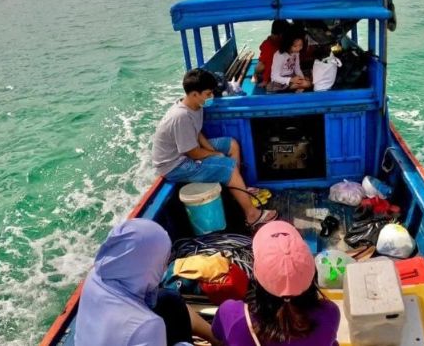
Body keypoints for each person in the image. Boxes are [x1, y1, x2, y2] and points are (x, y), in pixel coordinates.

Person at [152, 68, 277, 228]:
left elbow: (197, 133)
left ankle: (239, 189)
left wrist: (213, 151)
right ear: (195, 94)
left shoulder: (195, 105)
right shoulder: (180, 116)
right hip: (175, 165)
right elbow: (193, 153)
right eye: (208, 94)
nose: (211, 97)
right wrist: (216, 155)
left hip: (189, 151)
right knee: (228, 167)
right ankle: (252, 215)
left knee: (231, 145)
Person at [74, 219, 219, 346]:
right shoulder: (146, 326)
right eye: (163, 261)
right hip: (136, 333)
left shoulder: (96, 274)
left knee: (169, 300)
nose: (165, 267)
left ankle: (217, 339)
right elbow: (139, 327)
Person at [211, 221, 340, 346]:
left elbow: (218, 337)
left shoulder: (232, 315)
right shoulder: (329, 313)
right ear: (313, 272)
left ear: (256, 274)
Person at [266, 27, 312, 93]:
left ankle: (298, 88)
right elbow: (275, 77)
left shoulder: (296, 53)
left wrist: (301, 78)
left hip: (292, 76)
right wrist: (291, 80)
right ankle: (297, 89)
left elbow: (297, 68)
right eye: (295, 46)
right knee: (306, 84)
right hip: (280, 81)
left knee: (309, 82)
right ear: (288, 44)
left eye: (300, 45)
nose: (298, 49)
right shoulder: (280, 55)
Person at [252, 20, 291, 87]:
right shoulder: (269, 47)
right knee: (260, 67)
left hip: (277, 66)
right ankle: (255, 75)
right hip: (266, 66)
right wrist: (265, 81)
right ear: (281, 35)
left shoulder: (279, 41)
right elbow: (269, 64)